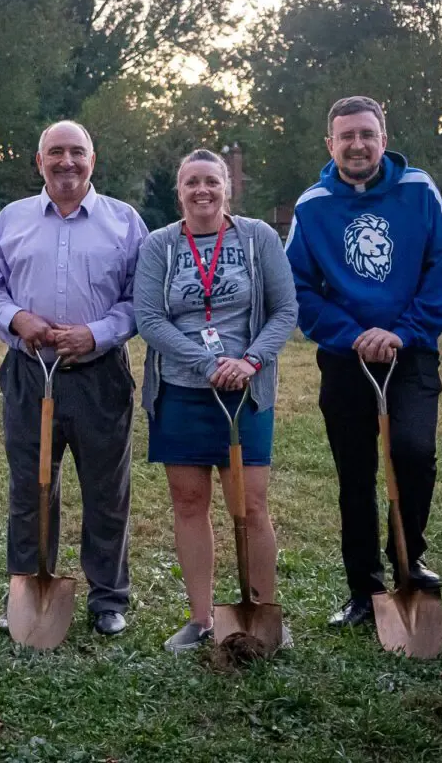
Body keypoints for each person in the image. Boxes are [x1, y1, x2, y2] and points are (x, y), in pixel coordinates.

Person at [0, 120, 147, 637]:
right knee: (31, 489)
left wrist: (96, 333)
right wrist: (17, 319)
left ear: (94, 159)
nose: (66, 161)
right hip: (29, 373)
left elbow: (140, 300)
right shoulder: (12, 219)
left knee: (107, 491)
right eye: (55, 153)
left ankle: (108, 599)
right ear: (38, 160)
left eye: (77, 152)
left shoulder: (124, 221)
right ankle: (27, 587)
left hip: (99, 377)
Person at [285, 95, 442, 628]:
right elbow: (298, 289)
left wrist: (402, 333)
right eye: (346, 137)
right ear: (330, 144)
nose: (357, 145)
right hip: (346, 359)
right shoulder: (312, 206)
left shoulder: (419, 191)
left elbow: (441, 267)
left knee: (413, 448)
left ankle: (410, 557)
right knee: (355, 475)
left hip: (411, 353)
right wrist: (353, 334)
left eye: (366, 134)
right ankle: (364, 590)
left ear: (384, 137)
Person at [134, 149, 298, 651]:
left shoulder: (258, 237)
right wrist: (206, 364)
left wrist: (249, 361)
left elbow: (284, 308)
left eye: (211, 182)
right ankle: (202, 618)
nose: (202, 192)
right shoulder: (159, 245)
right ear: (179, 192)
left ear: (227, 188)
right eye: (191, 184)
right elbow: (149, 318)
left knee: (250, 503)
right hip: (182, 390)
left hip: (246, 390)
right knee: (188, 502)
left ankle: (262, 611)